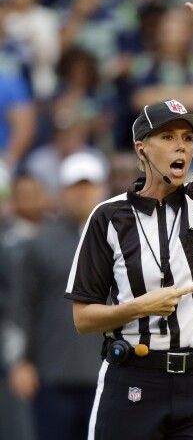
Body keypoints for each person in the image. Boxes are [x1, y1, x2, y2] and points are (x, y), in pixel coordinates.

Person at [64, 0, 193, 440]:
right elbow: (84, 318)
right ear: (141, 148)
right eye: (167, 137)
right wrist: (135, 308)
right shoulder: (109, 216)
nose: (181, 148)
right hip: (134, 379)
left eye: (187, 139)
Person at [8, 152, 109, 440]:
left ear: (102, 188)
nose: (82, 194)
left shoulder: (121, 239)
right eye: (75, 187)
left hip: (110, 376)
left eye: (89, 186)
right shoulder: (41, 243)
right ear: (63, 192)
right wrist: (19, 361)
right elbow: (21, 304)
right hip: (53, 375)